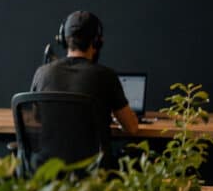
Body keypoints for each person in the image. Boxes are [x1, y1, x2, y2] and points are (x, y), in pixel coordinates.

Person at [30, 11, 138, 165]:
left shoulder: (42, 73)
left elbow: (38, 117)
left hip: (49, 174)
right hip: (92, 176)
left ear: (63, 40)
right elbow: (132, 128)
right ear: (96, 42)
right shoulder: (106, 76)